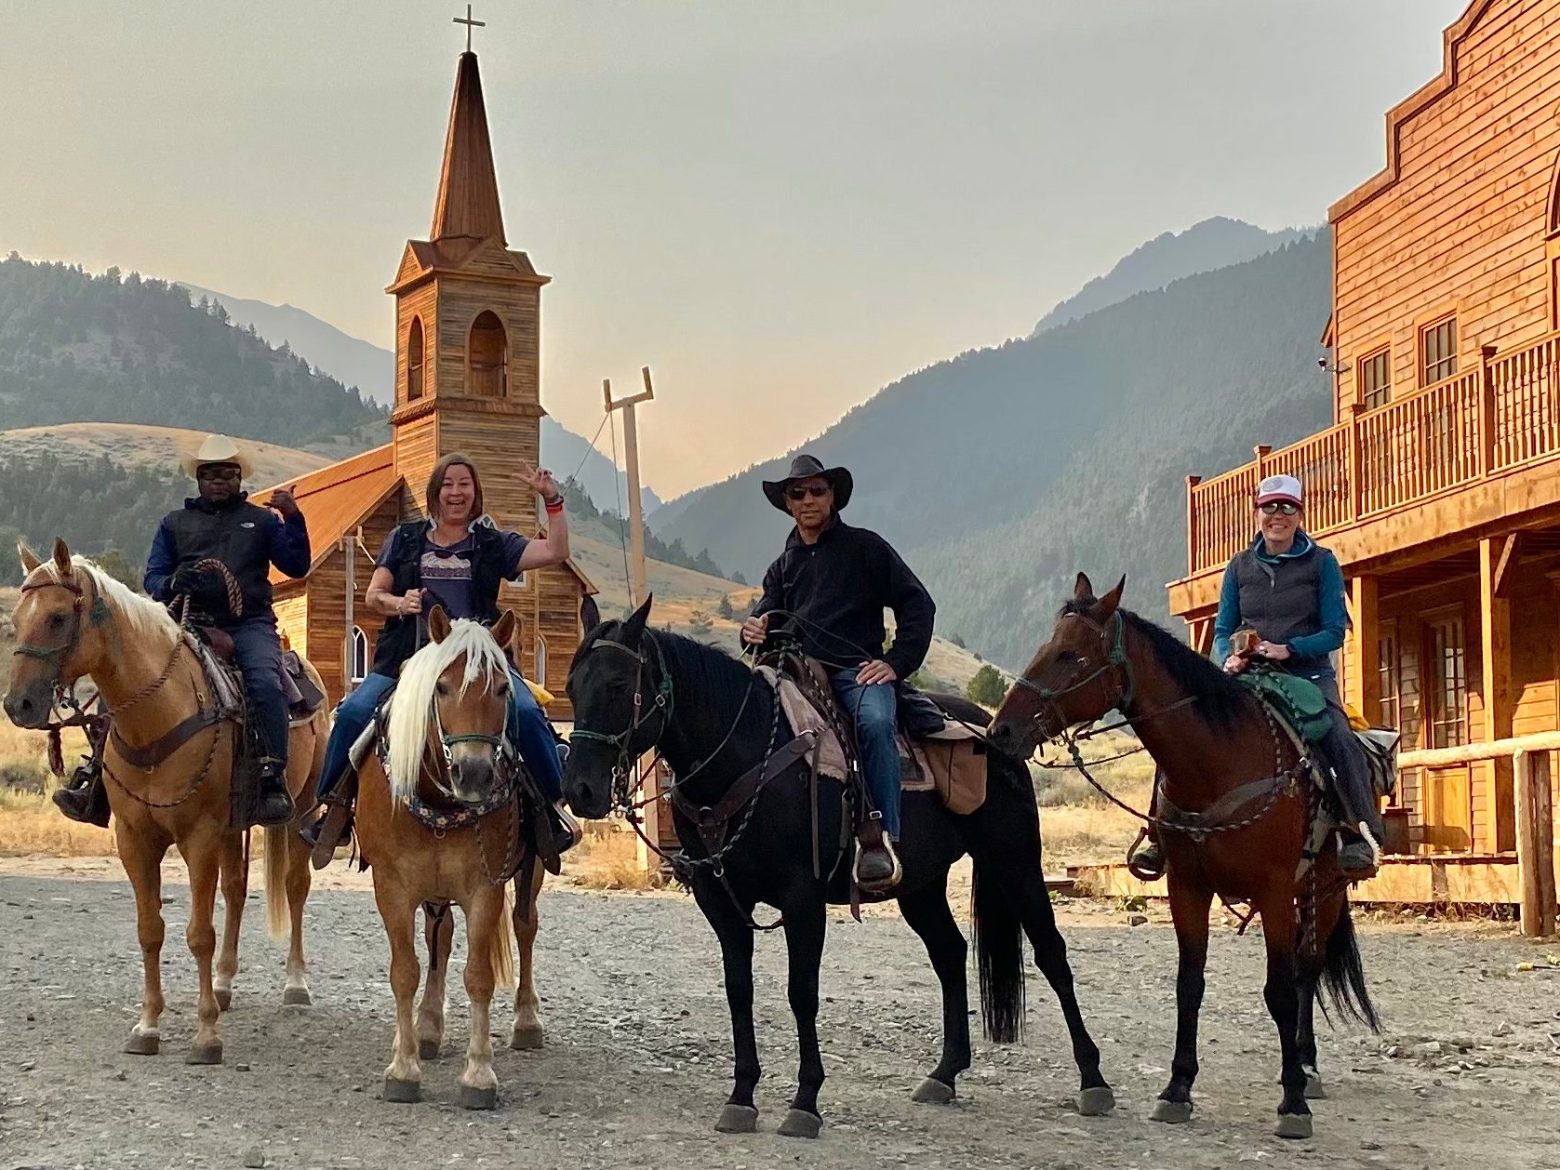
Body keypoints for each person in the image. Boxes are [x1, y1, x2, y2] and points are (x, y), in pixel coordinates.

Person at [302, 452, 581, 858]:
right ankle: (334, 810)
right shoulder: (404, 538)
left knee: (523, 710)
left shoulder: (492, 543)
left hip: (479, 660)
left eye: (464, 484)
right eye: (448, 484)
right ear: (435, 493)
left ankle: (552, 809)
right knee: (352, 713)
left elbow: (555, 551)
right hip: (410, 655)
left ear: (475, 493)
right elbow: (374, 595)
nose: (456, 491)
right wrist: (401, 602)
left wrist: (551, 499)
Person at [1130, 473, 1386, 879]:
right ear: (1258, 513)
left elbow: (1335, 631)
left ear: (1300, 513)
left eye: (1287, 507)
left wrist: (1290, 649)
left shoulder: (1322, 564)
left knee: (1336, 732)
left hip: (1309, 675)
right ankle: (1158, 835)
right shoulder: (1239, 567)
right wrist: (1227, 657)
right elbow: (1221, 629)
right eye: (1270, 507)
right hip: (1249, 675)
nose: (1278, 515)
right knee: (1183, 729)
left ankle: (1359, 833)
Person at [54, 434, 309, 828]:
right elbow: (153, 577)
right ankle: (95, 779)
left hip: (248, 623)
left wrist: (293, 518)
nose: (218, 480)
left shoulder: (261, 521)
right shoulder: (174, 524)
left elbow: (297, 565)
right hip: (183, 623)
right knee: (126, 685)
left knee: (264, 681)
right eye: (210, 474)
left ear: (239, 477)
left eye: (226, 473)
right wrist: (174, 583)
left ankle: (271, 777)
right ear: (198, 478)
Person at [740, 454, 936, 894]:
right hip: (794, 673)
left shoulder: (866, 548)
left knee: (876, 721)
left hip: (855, 672)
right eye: (798, 493)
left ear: (832, 497)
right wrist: (753, 629)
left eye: (816, 491)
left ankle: (881, 839)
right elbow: (766, 619)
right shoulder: (783, 566)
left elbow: (917, 604)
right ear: (788, 504)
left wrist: (896, 662)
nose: (807, 500)